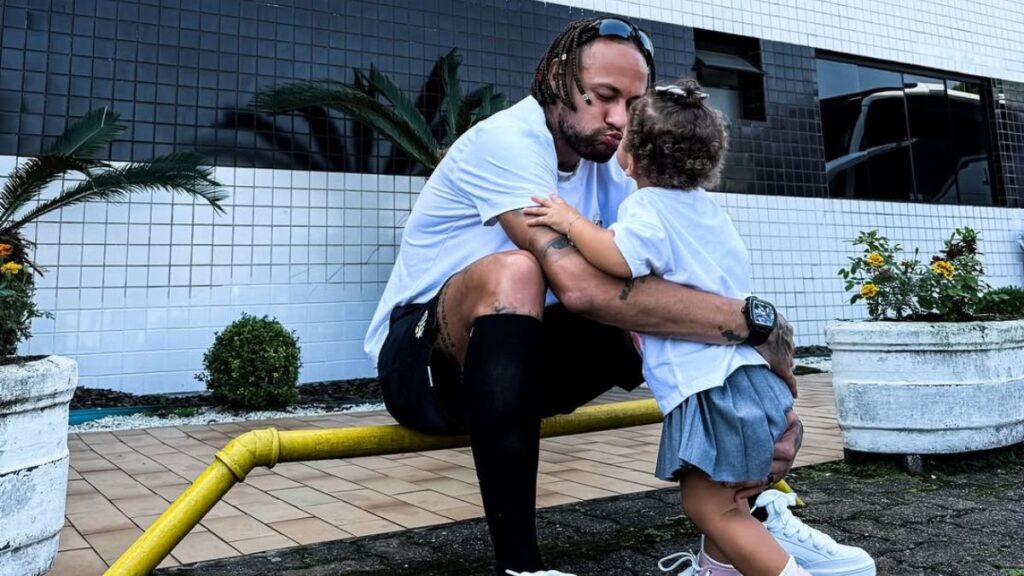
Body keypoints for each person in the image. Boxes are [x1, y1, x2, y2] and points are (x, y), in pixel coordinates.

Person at [365, 16, 869, 576]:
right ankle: (521, 568)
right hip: (430, 367)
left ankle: (743, 524)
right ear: (558, 78)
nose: (620, 120)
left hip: (533, 365)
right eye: (604, 96)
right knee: (520, 270)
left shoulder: (619, 156)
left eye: (634, 103)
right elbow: (583, 291)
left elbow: (680, 283)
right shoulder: (507, 142)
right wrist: (757, 324)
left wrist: (765, 393)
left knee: (673, 309)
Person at [524, 78, 876, 576]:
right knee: (733, 498)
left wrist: (569, 221)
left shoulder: (646, 207)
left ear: (632, 158)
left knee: (714, 508)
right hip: (751, 379)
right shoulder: (711, 213)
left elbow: (620, 259)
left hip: (711, 389)